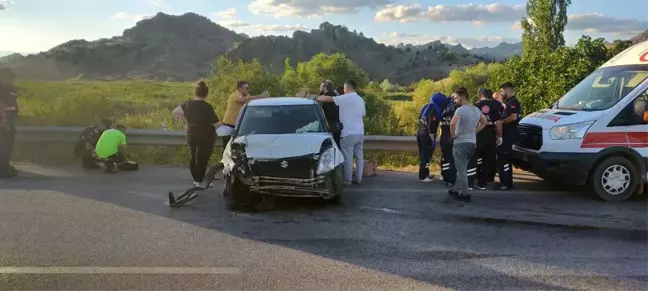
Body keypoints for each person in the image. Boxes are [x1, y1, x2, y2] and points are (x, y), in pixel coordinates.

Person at [317, 80, 366, 185]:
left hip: (349, 133)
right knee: (359, 156)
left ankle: (347, 180)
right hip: (360, 132)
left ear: (347, 88)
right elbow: (363, 114)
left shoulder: (346, 97)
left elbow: (328, 98)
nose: (343, 90)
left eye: (344, 88)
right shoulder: (360, 99)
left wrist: (316, 98)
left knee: (348, 157)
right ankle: (359, 178)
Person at [173, 81, 221, 188]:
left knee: (193, 155)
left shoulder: (188, 104)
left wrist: (186, 120)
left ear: (195, 93)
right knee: (202, 158)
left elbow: (176, 112)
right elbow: (216, 122)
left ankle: (196, 180)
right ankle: (200, 181)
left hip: (191, 133)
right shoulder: (208, 107)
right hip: (205, 135)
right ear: (206, 94)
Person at [449, 87, 487, 202]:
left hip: (461, 143)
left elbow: (452, 123)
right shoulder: (475, 109)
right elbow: (484, 121)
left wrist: (453, 135)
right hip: (472, 143)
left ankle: (465, 194)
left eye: (456, 98)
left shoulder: (460, 110)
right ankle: (456, 189)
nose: (455, 100)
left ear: (461, 96)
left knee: (461, 170)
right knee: (462, 167)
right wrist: (474, 131)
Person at [220, 81, 269, 148]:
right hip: (229, 126)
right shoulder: (235, 95)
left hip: (237, 126)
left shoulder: (246, 96)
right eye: (246, 88)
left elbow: (251, 99)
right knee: (227, 148)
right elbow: (243, 100)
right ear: (240, 88)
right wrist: (260, 96)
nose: (248, 90)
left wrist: (262, 97)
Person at [472, 88, 503, 190]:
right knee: (487, 160)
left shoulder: (476, 105)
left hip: (478, 133)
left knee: (474, 158)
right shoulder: (496, 105)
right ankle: (483, 183)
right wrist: (499, 136)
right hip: (490, 135)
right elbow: (498, 123)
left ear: (481, 95)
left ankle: (471, 181)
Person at [497, 82, 522, 190]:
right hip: (507, 135)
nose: (501, 93)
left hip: (509, 136)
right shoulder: (509, 102)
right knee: (504, 159)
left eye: (502, 91)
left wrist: (501, 121)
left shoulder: (513, 102)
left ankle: (505, 183)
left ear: (507, 89)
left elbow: (513, 117)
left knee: (504, 159)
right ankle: (506, 183)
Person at [416, 93, 445, 182]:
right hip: (427, 135)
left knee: (424, 155)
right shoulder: (434, 109)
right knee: (426, 156)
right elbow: (431, 125)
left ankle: (426, 173)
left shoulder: (427, 107)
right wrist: (432, 139)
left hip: (420, 132)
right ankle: (423, 176)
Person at [0, 67, 18, 178]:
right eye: (9, 78)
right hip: (4, 118)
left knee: (7, 144)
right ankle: (3, 169)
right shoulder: (1, 88)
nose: (12, 80)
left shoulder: (8, 88)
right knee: (5, 145)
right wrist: (4, 119)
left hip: (8, 117)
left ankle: (5, 166)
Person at [439, 94, 457, 186]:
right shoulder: (457, 110)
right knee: (453, 159)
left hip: (444, 137)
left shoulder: (442, 110)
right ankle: (452, 180)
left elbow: (440, 124)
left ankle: (445, 177)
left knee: (445, 158)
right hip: (453, 137)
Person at [319, 80, 342, 147]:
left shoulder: (322, 99)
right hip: (338, 127)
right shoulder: (337, 97)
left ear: (325, 88)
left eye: (321, 86)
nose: (319, 88)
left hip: (327, 129)